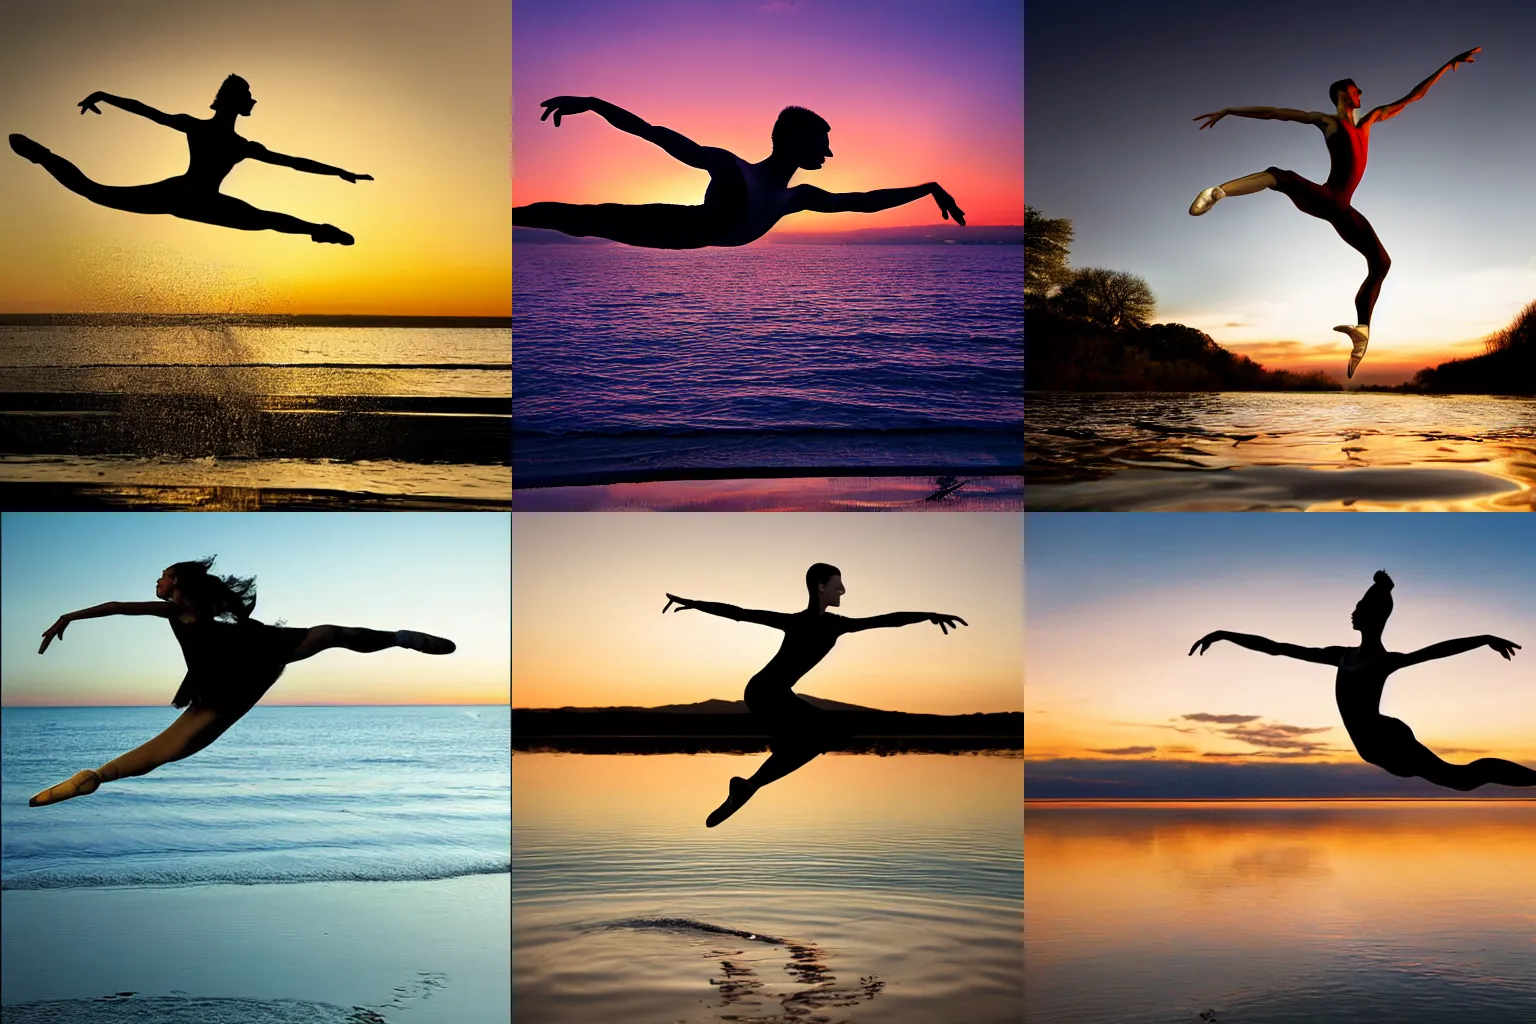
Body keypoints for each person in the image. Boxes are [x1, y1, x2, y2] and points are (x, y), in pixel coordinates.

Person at [28, 556, 454, 807]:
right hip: (250, 666)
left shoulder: (179, 610)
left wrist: (69, 616)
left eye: (162, 576)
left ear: (176, 582)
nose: (156, 582)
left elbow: (118, 607)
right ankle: (403, 638)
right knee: (329, 634)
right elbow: (119, 605)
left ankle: (97, 777)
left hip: (230, 679)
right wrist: (70, 616)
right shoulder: (192, 609)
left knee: (165, 751)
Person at [1187, 48, 1480, 378]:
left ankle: (1362, 332)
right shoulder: (1328, 122)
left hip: (1343, 210)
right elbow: (1276, 113)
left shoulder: (1371, 120)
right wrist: (1230, 110)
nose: (1362, 94)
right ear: (1343, 94)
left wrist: (1447, 65)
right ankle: (1218, 192)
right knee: (1279, 175)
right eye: (1357, 90)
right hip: (1325, 198)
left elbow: (1413, 96)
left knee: (1382, 262)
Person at [664, 563, 967, 826]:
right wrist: (695, 603)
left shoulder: (831, 624)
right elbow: (741, 614)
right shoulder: (804, 622)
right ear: (821, 588)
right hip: (763, 692)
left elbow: (887, 619)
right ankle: (752, 784)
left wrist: (928, 615)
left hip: (775, 694)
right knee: (824, 735)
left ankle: (749, 786)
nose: (844, 591)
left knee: (823, 737)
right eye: (838, 585)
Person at [1189, 569, 1533, 791]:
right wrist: (1224, 634)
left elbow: (1434, 651)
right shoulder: (1340, 654)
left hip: (1388, 741)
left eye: (1360, 605)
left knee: (1462, 779)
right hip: (1379, 746)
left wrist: (1483, 638)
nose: (1353, 610)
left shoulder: (1383, 662)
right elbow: (1279, 648)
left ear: (1374, 616)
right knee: (1461, 778)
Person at [513, 97, 965, 249]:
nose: (829, 152)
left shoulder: (797, 197)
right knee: (578, 218)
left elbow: (864, 201)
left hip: (683, 236)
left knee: (580, 219)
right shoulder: (733, 170)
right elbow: (655, 134)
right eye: (821, 142)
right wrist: (593, 105)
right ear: (794, 141)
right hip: (670, 224)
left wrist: (927, 188)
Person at [9, 74, 371, 245]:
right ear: (231, 101)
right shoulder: (211, 133)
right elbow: (147, 111)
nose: (252, 101)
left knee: (264, 220)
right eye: (247, 96)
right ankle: (42, 155)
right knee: (96, 192)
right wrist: (105, 94)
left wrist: (339, 171)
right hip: (183, 195)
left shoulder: (239, 143)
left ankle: (320, 231)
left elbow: (293, 161)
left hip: (198, 199)